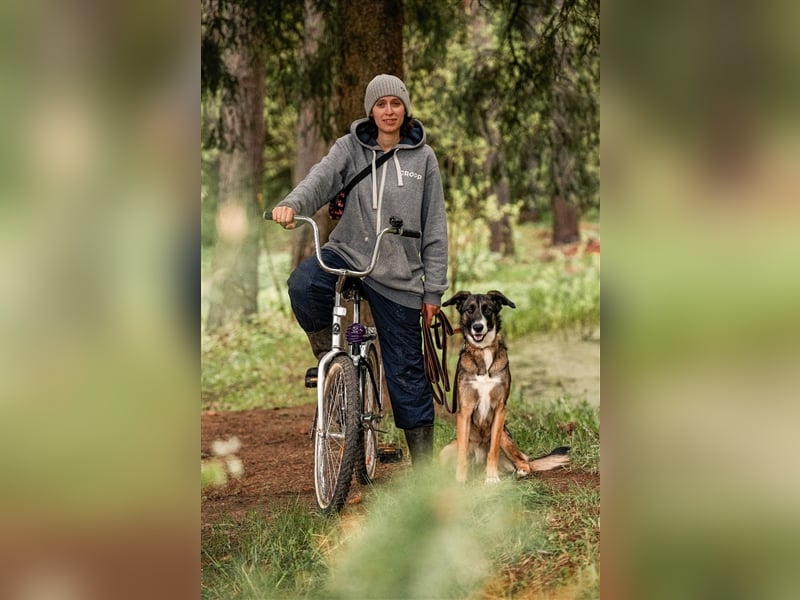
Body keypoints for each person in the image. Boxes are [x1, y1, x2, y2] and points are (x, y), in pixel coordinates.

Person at [272, 74, 449, 466]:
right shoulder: (349, 147)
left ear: (405, 108)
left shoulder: (424, 158)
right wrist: (292, 204)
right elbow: (319, 180)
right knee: (304, 285)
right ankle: (330, 363)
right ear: (371, 110)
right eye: (381, 104)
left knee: (407, 371)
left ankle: (423, 473)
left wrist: (433, 291)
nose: (389, 111)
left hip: (399, 273)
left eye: (396, 103)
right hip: (348, 254)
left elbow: (436, 227)